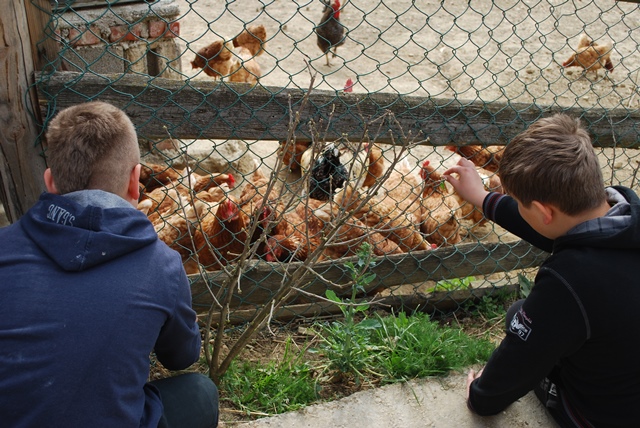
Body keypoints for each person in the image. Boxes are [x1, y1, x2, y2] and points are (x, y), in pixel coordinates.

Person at [0, 101, 219, 427]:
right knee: (200, 392)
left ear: (50, 181)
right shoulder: (162, 265)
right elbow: (182, 357)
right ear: (135, 181)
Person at [444, 113, 640, 427]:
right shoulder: (625, 220)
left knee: (521, 317)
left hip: (602, 417)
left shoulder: (569, 280)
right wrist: (482, 198)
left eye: (521, 205)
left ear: (542, 211)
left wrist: (480, 397)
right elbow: (559, 229)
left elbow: (520, 361)